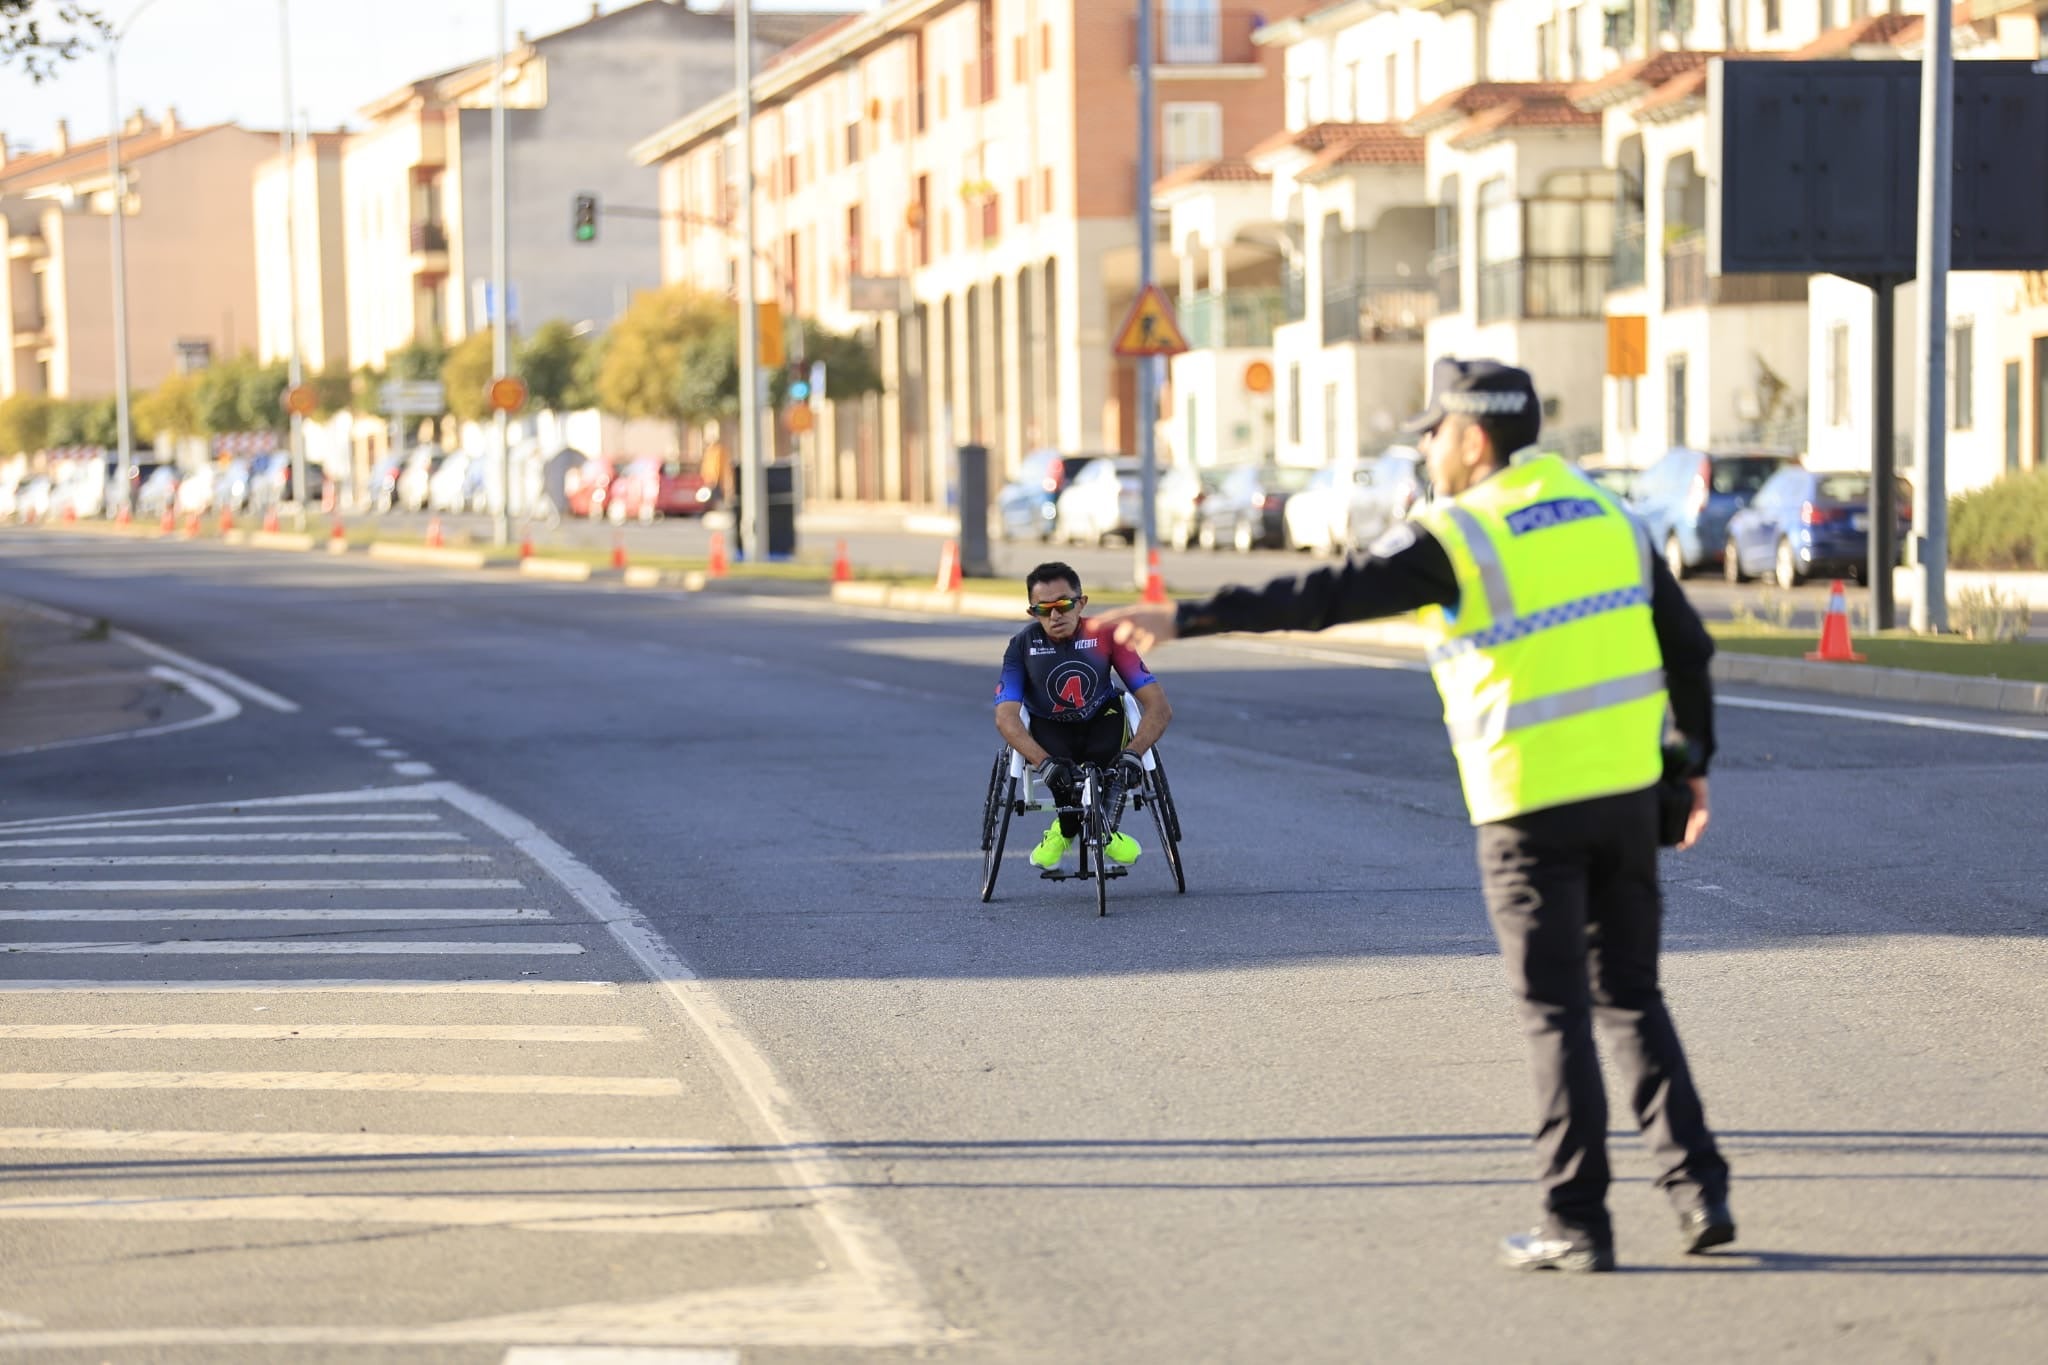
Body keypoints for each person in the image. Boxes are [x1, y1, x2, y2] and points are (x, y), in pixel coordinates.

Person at [1095, 359, 1731, 1273]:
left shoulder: (1461, 532)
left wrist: (1182, 617)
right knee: (1632, 996)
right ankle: (1699, 1190)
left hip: (1526, 808)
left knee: (1557, 1015)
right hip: (1629, 799)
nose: (1427, 450)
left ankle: (1577, 1222)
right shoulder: (1608, 514)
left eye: (1432, 433)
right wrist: (1692, 764)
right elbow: (1690, 647)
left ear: (1474, 438)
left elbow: (1324, 596)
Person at [994, 562, 1173, 871]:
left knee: (1115, 766)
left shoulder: (1109, 636)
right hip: (1050, 726)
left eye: (1064, 605)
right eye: (1043, 609)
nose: (1055, 615)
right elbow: (1006, 716)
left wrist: (1134, 753)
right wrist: (1043, 762)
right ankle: (1065, 831)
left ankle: (1104, 825)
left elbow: (1159, 706)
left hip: (1102, 718)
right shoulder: (1021, 647)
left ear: (1082, 602)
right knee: (1061, 777)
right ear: (1031, 612)